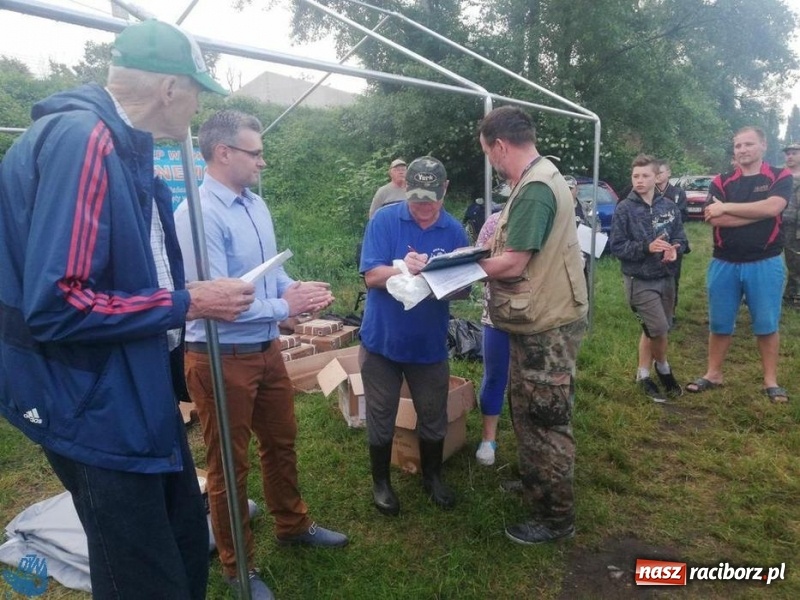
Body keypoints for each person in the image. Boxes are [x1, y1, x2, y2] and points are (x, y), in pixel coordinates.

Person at [0, 20, 256, 600]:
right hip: (91, 399)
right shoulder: (84, 140)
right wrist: (189, 302)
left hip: (128, 388)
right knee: (141, 573)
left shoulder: (115, 145)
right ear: (170, 88)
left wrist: (182, 301)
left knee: (182, 542)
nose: (198, 108)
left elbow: (113, 273)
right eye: (197, 92)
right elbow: (59, 303)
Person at [175, 110, 348, 600]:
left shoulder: (255, 204)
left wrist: (298, 291)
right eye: (254, 153)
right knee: (230, 467)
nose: (262, 162)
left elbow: (268, 275)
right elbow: (218, 302)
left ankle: (292, 524)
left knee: (281, 441)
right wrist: (284, 307)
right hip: (219, 356)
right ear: (223, 152)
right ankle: (238, 567)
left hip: (265, 348)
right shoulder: (197, 215)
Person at [476, 106, 588, 545]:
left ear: (500, 146)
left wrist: (463, 268)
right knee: (527, 410)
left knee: (546, 420)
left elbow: (513, 262)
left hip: (547, 326)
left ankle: (556, 519)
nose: (491, 161)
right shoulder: (540, 177)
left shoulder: (535, 189)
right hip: (540, 317)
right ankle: (537, 485)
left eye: (489, 153)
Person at [359, 156, 469, 515]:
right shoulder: (385, 220)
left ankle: (432, 477)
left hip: (428, 344)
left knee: (433, 413)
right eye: (417, 198)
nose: (423, 207)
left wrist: (441, 280)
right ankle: (381, 482)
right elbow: (371, 276)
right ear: (405, 187)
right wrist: (403, 269)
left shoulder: (454, 232)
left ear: (445, 189)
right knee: (381, 413)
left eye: (430, 200)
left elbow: (463, 289)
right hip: (382, 342)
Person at [687, 126, 792, 403]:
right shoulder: (721, 181)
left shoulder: (779, 176)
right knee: (719, 322)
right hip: (724, 262)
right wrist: (758, 212)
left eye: (748, 144)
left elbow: (773, 207)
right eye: (738, 146)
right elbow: (714, 218)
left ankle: (770, 381)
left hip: (765, 261)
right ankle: (713, 374)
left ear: (763, 145)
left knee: (766, 323)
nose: (743, 150)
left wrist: (727, 207)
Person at [609, 154, 688, 402]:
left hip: (667, 277)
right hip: (639, 280)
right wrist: (647, 247)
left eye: (645, 176)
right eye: (636, 176)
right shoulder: (625, 208)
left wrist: (675, 249)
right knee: (658, 328)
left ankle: (643, 374)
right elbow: (616, 246)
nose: (640, 180)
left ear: (657, 177)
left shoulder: (669, 207)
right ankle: (663, 368)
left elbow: (682, 238)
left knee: (655, 328)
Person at [474, 211, 509, 467]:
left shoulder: (546, 218)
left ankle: (533, 436)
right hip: (497, 313)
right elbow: (476, 264)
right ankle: (488, 439)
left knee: (533, 379)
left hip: (538, 316)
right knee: (495, 374)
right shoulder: (494, 222)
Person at [655, 160, 689, 318]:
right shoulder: (650, 192)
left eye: (660, 172)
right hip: (654, 241)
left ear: (668, 173)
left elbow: (683, 215)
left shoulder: (678, 193)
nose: (657, 176)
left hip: (673, 240)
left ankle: (671, 311)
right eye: (655, 173)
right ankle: (655, 310)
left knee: (673, 278)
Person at [781, 142, 800, 306]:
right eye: (788, 154)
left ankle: (792, 297)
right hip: (773, 224)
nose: (790, 156)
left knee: (795, 264)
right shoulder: (779, 175)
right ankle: (756, 294)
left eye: (794, 153)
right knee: (762, 260)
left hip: (795, 228)